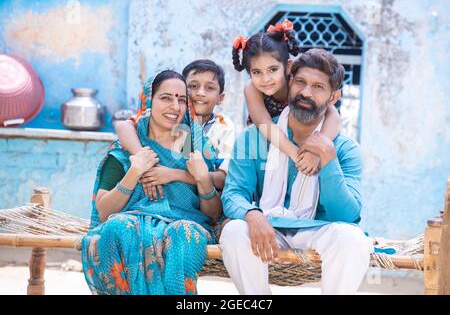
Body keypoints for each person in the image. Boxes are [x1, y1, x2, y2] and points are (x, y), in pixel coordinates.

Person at [220, 49, 373, 295]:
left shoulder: (345, 149)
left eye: (318, 87)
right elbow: (233, 193)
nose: (305, 92)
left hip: (317, 229)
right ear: (289, 82)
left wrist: (328, 159)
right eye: (300, 82)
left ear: (333, 97)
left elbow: (347, 215)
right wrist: (252, 214)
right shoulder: (254, 138)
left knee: (352, 239)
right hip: (269, 228)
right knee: (235, 231)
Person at [81, 70, 222, 295]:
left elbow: (214, 213)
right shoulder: (126, 148)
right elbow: (104, 210)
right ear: (149, 101)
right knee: (118, 228)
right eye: (166, 97)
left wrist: (201, 178)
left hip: (188, 223)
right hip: (133, 220)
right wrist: (135, 172)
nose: (175, 107)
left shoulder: (191, 143)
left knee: (181, 233)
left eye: (181, 99)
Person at [232, 19, 341, 175]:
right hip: (266, 142)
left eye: (273, 70)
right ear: (249, 73)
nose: (265, 79)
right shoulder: (252, 88)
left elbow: (333, 115)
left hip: (302, 137)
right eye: (257, 72)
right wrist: (297, 156)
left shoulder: (299, 85)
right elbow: (264, 123)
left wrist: (317, 150)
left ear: (288, 66)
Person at [115, 60, 235, 197]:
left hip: (208, 200)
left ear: (220, 98)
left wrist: (174, 174)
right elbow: (124, 126)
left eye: (209, 88)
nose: (200, 93)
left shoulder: (222, 126)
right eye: (193, 86)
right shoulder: (170, 119)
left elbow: (224, 179)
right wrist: (146, 164)